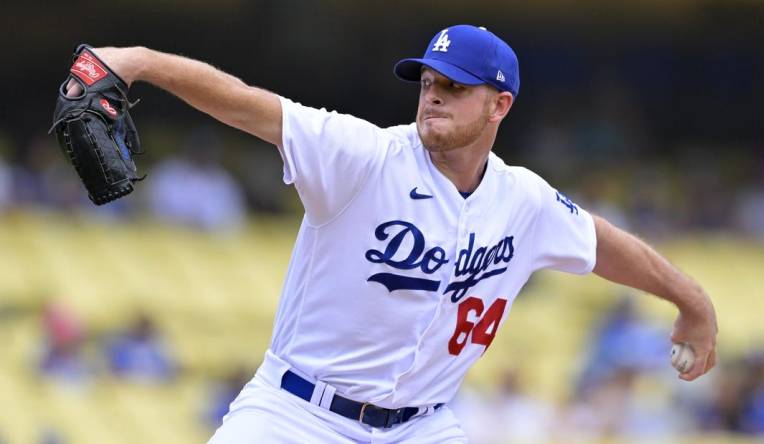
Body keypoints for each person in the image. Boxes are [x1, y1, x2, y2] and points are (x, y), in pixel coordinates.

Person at [64, 24, 718, 443]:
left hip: (424, 428)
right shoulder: (363, 155)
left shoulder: (524, 201)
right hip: (297, 414)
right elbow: (245, 102)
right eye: (428, 82)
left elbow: (605, 244)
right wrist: (139, 60)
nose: (432, 95)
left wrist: (693, 301)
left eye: (455, 87)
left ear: (500, 105)